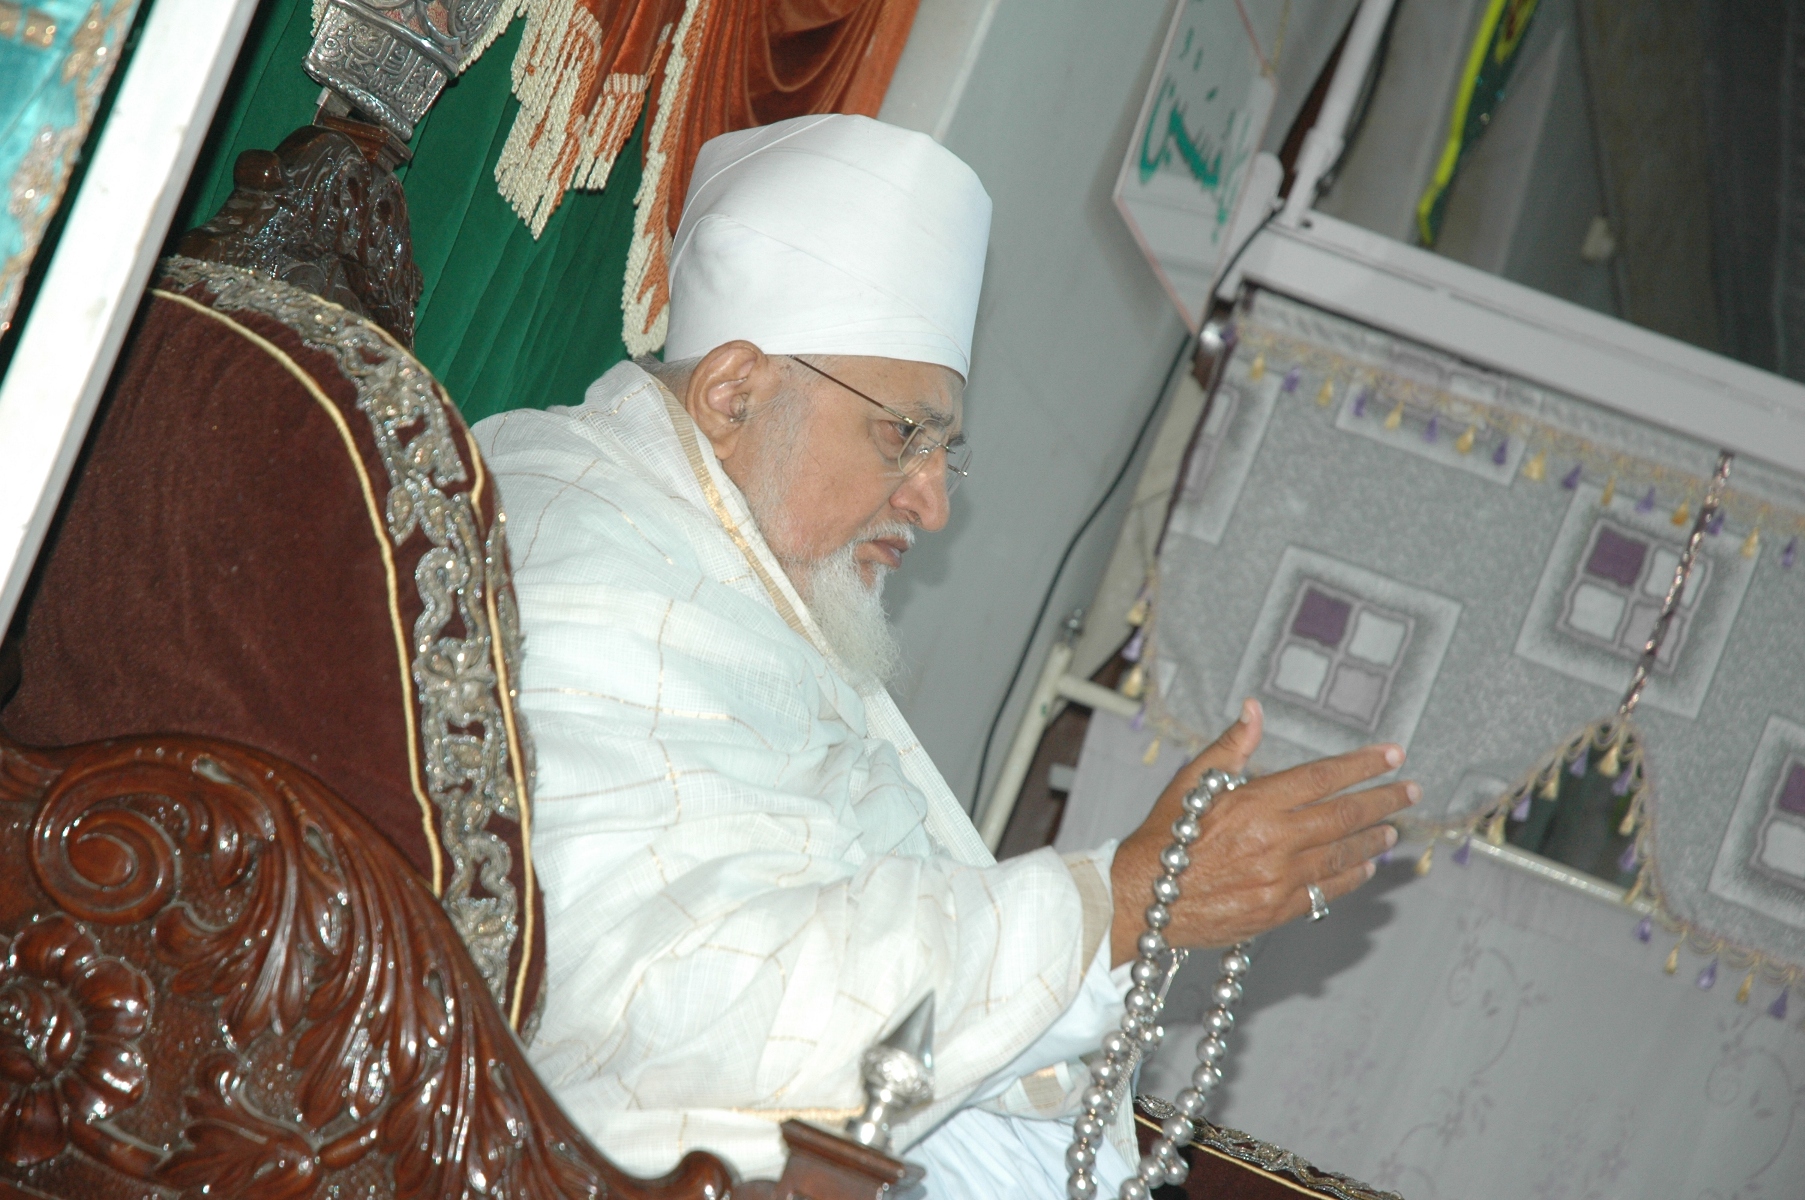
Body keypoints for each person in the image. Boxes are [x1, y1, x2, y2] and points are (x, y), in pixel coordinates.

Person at [475, 113, 1415, 1196]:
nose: (930, 502)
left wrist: (1129, 904)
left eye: (942, 453)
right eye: (901, 435)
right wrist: (1127, 898)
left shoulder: (751, 577)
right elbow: (680, 1003)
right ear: (733, 393)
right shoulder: (591, 561)